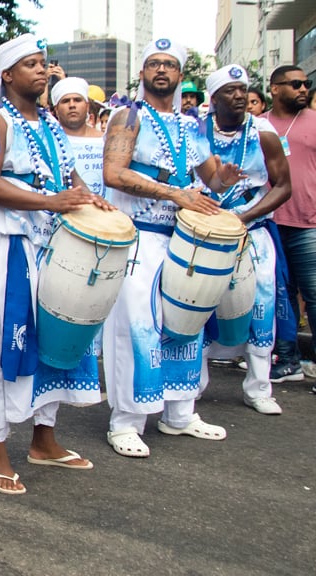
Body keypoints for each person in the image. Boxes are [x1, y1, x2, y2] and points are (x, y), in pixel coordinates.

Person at [0, 35, 106, 496]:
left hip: (53, 245)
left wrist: (88, 196)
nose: (42, 71)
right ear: (7, 75)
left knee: (54, 338)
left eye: (43, 64)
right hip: (10, 249)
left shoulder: (48, 123)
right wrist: (51, 200)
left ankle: (44, 440)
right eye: (30, 65)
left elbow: (67, 175)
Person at [100, 37, 240, 459]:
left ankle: (180, 413)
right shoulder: (128, 117)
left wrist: (224, 179)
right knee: (137, 325)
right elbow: (112, 173)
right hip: (138, 236)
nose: (161, 70)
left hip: (179, 239)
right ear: (142, 73)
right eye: (154, 64)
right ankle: (125, 420)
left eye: (170, 65)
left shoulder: (191, 124)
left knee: (186, 320)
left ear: (181, 76)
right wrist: (175, 194)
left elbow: (208, 181)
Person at [196, 65, 291, 414]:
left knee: (260, 304)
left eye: (243, 89)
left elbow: (283, 186)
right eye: (230, 90)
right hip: (204, 232)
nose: (239, 95)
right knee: (200, 304)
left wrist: (243, 216)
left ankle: (259, 386)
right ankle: (195, 385)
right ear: (214, 98)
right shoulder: (197, 131)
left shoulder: (264, 133)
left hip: (252, 232)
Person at [265, 65, 316, 383]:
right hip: (268, 223)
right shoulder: (259, 124)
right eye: (295, 84)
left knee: (314, 294)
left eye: (306, 84)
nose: (303, 89)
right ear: (274, 89)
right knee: (279, 295)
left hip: (308, 222)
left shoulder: (314, 121)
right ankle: (287, 360)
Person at [51, 76, 105, 195]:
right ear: (56, 110)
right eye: (65, 101)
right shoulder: (50, 142)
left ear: (87, 106)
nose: (72, 105)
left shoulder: (106, 140)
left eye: (77, 100)